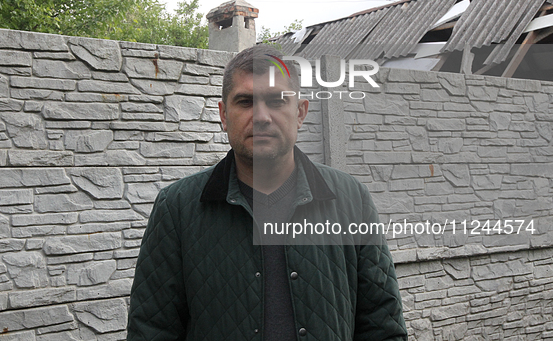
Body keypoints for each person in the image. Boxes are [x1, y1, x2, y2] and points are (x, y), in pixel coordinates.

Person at [127, 44, 407, 340]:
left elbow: (383, 327)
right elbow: (151, 331)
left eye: (276, 101)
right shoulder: (178, 208)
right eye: (246, 102)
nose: (261, 116)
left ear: (300, 112)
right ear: (224, 115)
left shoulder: (351, 200)